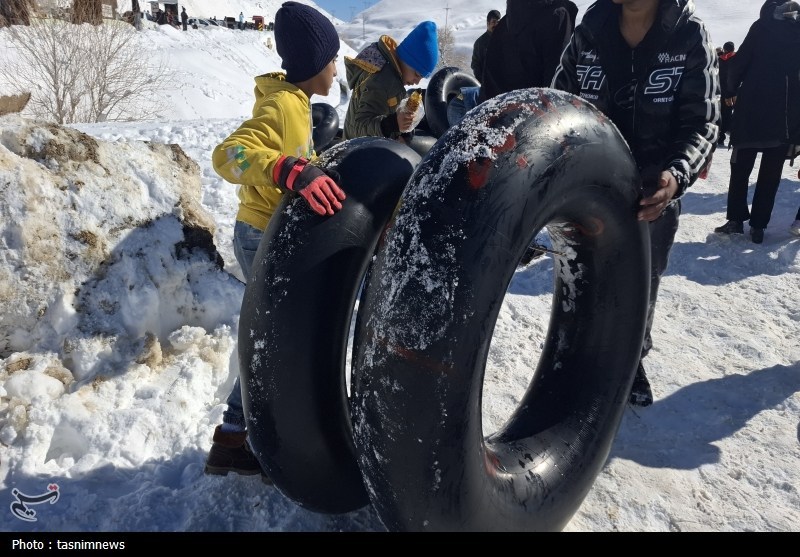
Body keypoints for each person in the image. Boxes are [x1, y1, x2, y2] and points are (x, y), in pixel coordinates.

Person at [552, 0, 720, 407]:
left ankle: (631, 361)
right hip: (589, 193)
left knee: (641, 287)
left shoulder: (689, 33)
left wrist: (676, 176)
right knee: (580, 279)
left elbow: (703, 122)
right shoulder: (589, 29)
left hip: (652, 197)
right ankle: (573, 364)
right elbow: (556, 104)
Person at [206, 1, 345, 479]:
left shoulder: (298, 104)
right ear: (312, 65)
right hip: (258, 235)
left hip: (268, 232)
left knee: (275, 335)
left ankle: (245, 434)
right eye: (332, 59)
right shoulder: (282, 104)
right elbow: (229, 154)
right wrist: (286, 169)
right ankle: (238, 436)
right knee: (273, 336)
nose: (336, 69)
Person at [713, 1, 800, 244]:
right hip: (784, 116)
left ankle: (736, 220)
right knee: (771, 175)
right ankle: (759, 226)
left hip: (751, 110)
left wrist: (730, 90)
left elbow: (739, 63)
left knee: (740, 169)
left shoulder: (761, 27)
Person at [343, 21, 439, 141]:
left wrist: (403, 130)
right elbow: (358, 128)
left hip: (372, 147)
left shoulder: (394, 76)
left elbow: (390, 112)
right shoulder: (381, 80)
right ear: (407, 60)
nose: (417, 82)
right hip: (355, 153)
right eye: (417, 74)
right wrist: (392, 124)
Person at [478, 0, 578, 103]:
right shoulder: (558, 16)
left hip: (500, 111)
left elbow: (488, 83)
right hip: (539, 113)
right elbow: (557, 78)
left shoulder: (503, 26)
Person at [471, 10, 501, 83]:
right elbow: (475, 65)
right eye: (494, 22)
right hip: (488, 84)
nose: (496, 25)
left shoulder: (505, 39)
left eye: (498, 22)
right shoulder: (479, 43)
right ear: (488, 23)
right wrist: (483, 82)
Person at [717, 41, 736, 146]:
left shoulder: (719, 60)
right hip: (734, 91)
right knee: (731, 115)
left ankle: (720, 137)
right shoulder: (737, 59)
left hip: (721, 91)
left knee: (721, 113)